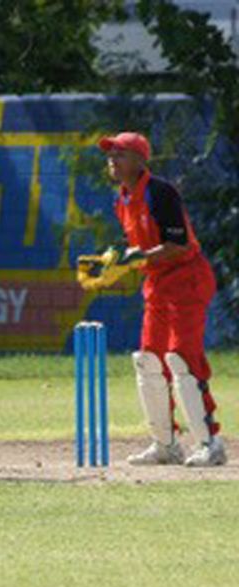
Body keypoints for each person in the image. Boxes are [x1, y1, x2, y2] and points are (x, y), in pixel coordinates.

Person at [95, 132, 225, 466]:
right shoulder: (122, 199)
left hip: (187, 279)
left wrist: (136, 259)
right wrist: (114, 265)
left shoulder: (160, 192)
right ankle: (165, 445)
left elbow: (178, 245)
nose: (112, 160)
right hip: (157, 283)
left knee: (182, 358)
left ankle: (211, 444)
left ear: (140, 160)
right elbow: (142, 252)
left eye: (120, 154)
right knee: (148, 361)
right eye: (110, 155)